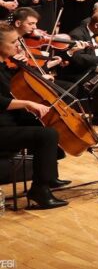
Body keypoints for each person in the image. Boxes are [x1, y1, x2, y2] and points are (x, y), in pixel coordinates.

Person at [0, 22, 70, 209]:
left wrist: (23, 68)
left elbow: (10, 85)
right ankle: (40, 190)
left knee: (44, 124)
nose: (18, 45)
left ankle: (49, 178)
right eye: (13, 42)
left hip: (8, 122)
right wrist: (28, 103)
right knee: (47, 135)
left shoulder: (4, 65)